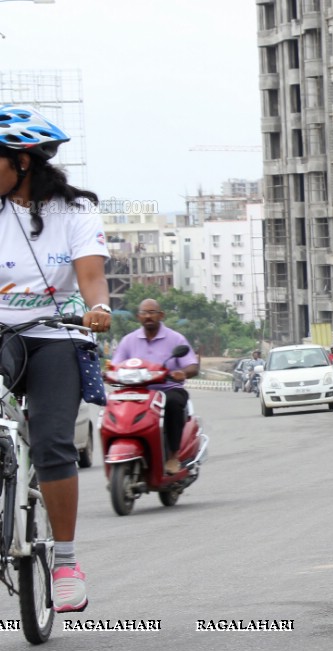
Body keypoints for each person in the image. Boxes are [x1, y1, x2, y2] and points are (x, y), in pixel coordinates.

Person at [0, 105, 112, 613]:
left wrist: (98, 307)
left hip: (55, 333)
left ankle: (64, 561)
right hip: (2, 334)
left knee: (50, 442)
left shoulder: (75, 211)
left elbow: (89, 273)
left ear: (24, 161)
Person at [112, 299, 199, 473]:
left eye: (152, 312)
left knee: (174, 403)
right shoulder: (128, 341)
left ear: (161, 315)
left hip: (167, 390)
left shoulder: (176, 339)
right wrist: (108, 373)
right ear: (138, 317)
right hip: (136, 392)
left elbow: (192, 365)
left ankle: (173, 455)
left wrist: (183, 373)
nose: (148, 316)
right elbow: (116, 365)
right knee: (114, 406)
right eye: (144, 313)